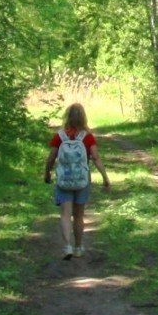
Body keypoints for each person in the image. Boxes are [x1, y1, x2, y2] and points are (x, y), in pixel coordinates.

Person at [43, 102, 109, 259]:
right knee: (79, 215)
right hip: (82, 180)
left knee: (65, 214)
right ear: (83, 117)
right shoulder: (87, 137)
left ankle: (67, 246)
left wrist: (47, 173)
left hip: (64, 179)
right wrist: (105, 178)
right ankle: (78, 247)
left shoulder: (60, 136)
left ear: (67, 116)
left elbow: (51, 157)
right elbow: (96, 158)